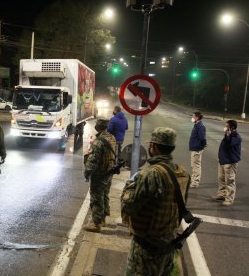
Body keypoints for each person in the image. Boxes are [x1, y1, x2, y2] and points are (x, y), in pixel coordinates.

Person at [121, 127, 190, 276]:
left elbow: (129, 206)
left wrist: (129, 187)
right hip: (168, 244)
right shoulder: (182, 173)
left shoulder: (152, 174)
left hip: (146, 249)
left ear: (153, 147)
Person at [83, 118, 116, 232]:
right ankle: (103, 219)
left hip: (100, 173)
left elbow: (93, 160)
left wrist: (87, 173)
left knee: (97, 197)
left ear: (98, 126)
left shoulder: (98, 142)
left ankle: (96, 224)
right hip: (109, 172)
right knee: (105, 195)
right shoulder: (112, 138)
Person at [212, 120, 241, 206]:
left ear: (231, 127)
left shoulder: (236, 137)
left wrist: (228, 135)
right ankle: (222, 194)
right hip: (223, 161)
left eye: (227, 126)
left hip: (230, 162)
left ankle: (229, 199)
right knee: (221, 179)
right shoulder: (228, 135)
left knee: (229, 181)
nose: (225, 128)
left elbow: (230, 144)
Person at [189, 111, 207, 188]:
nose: (192, 118)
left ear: (197, 117)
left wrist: (200, 147)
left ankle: (195, 183)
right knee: (193, 165)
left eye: (193, 117)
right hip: (194, 148)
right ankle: (193, 180)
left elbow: (202, 138)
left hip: (196, 149)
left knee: (196, 166)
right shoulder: (197, 125)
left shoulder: (200, 126)